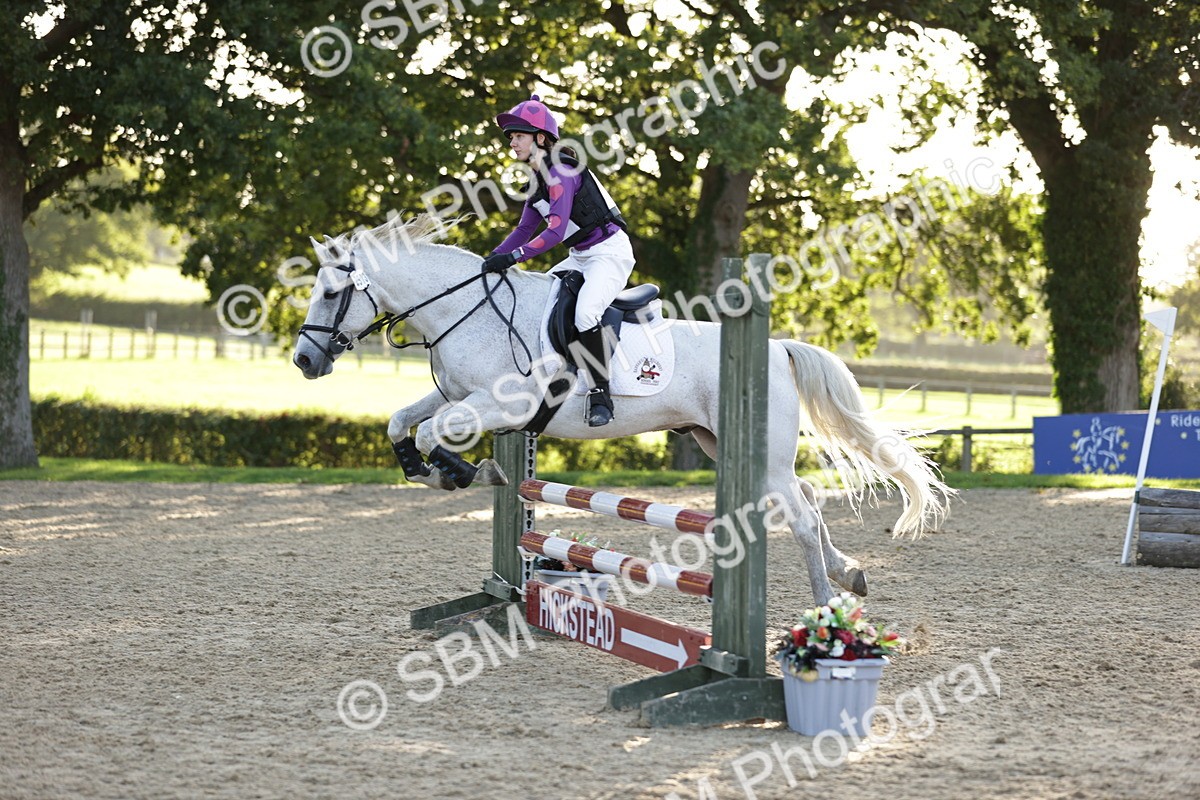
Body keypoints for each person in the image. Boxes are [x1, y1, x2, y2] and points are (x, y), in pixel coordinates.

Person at [481, 95, 633, 428]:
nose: (512, 143)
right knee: (539, 304)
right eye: (510, 137)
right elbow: (523, 230)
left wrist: (514, 258)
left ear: (540, 137)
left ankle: (600, 394)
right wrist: (489, 260)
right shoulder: (537, 181)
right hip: (579, 257)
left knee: (586, 313)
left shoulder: (562, 170)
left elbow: (555, 231)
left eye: (518, 136)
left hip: (609, 253)